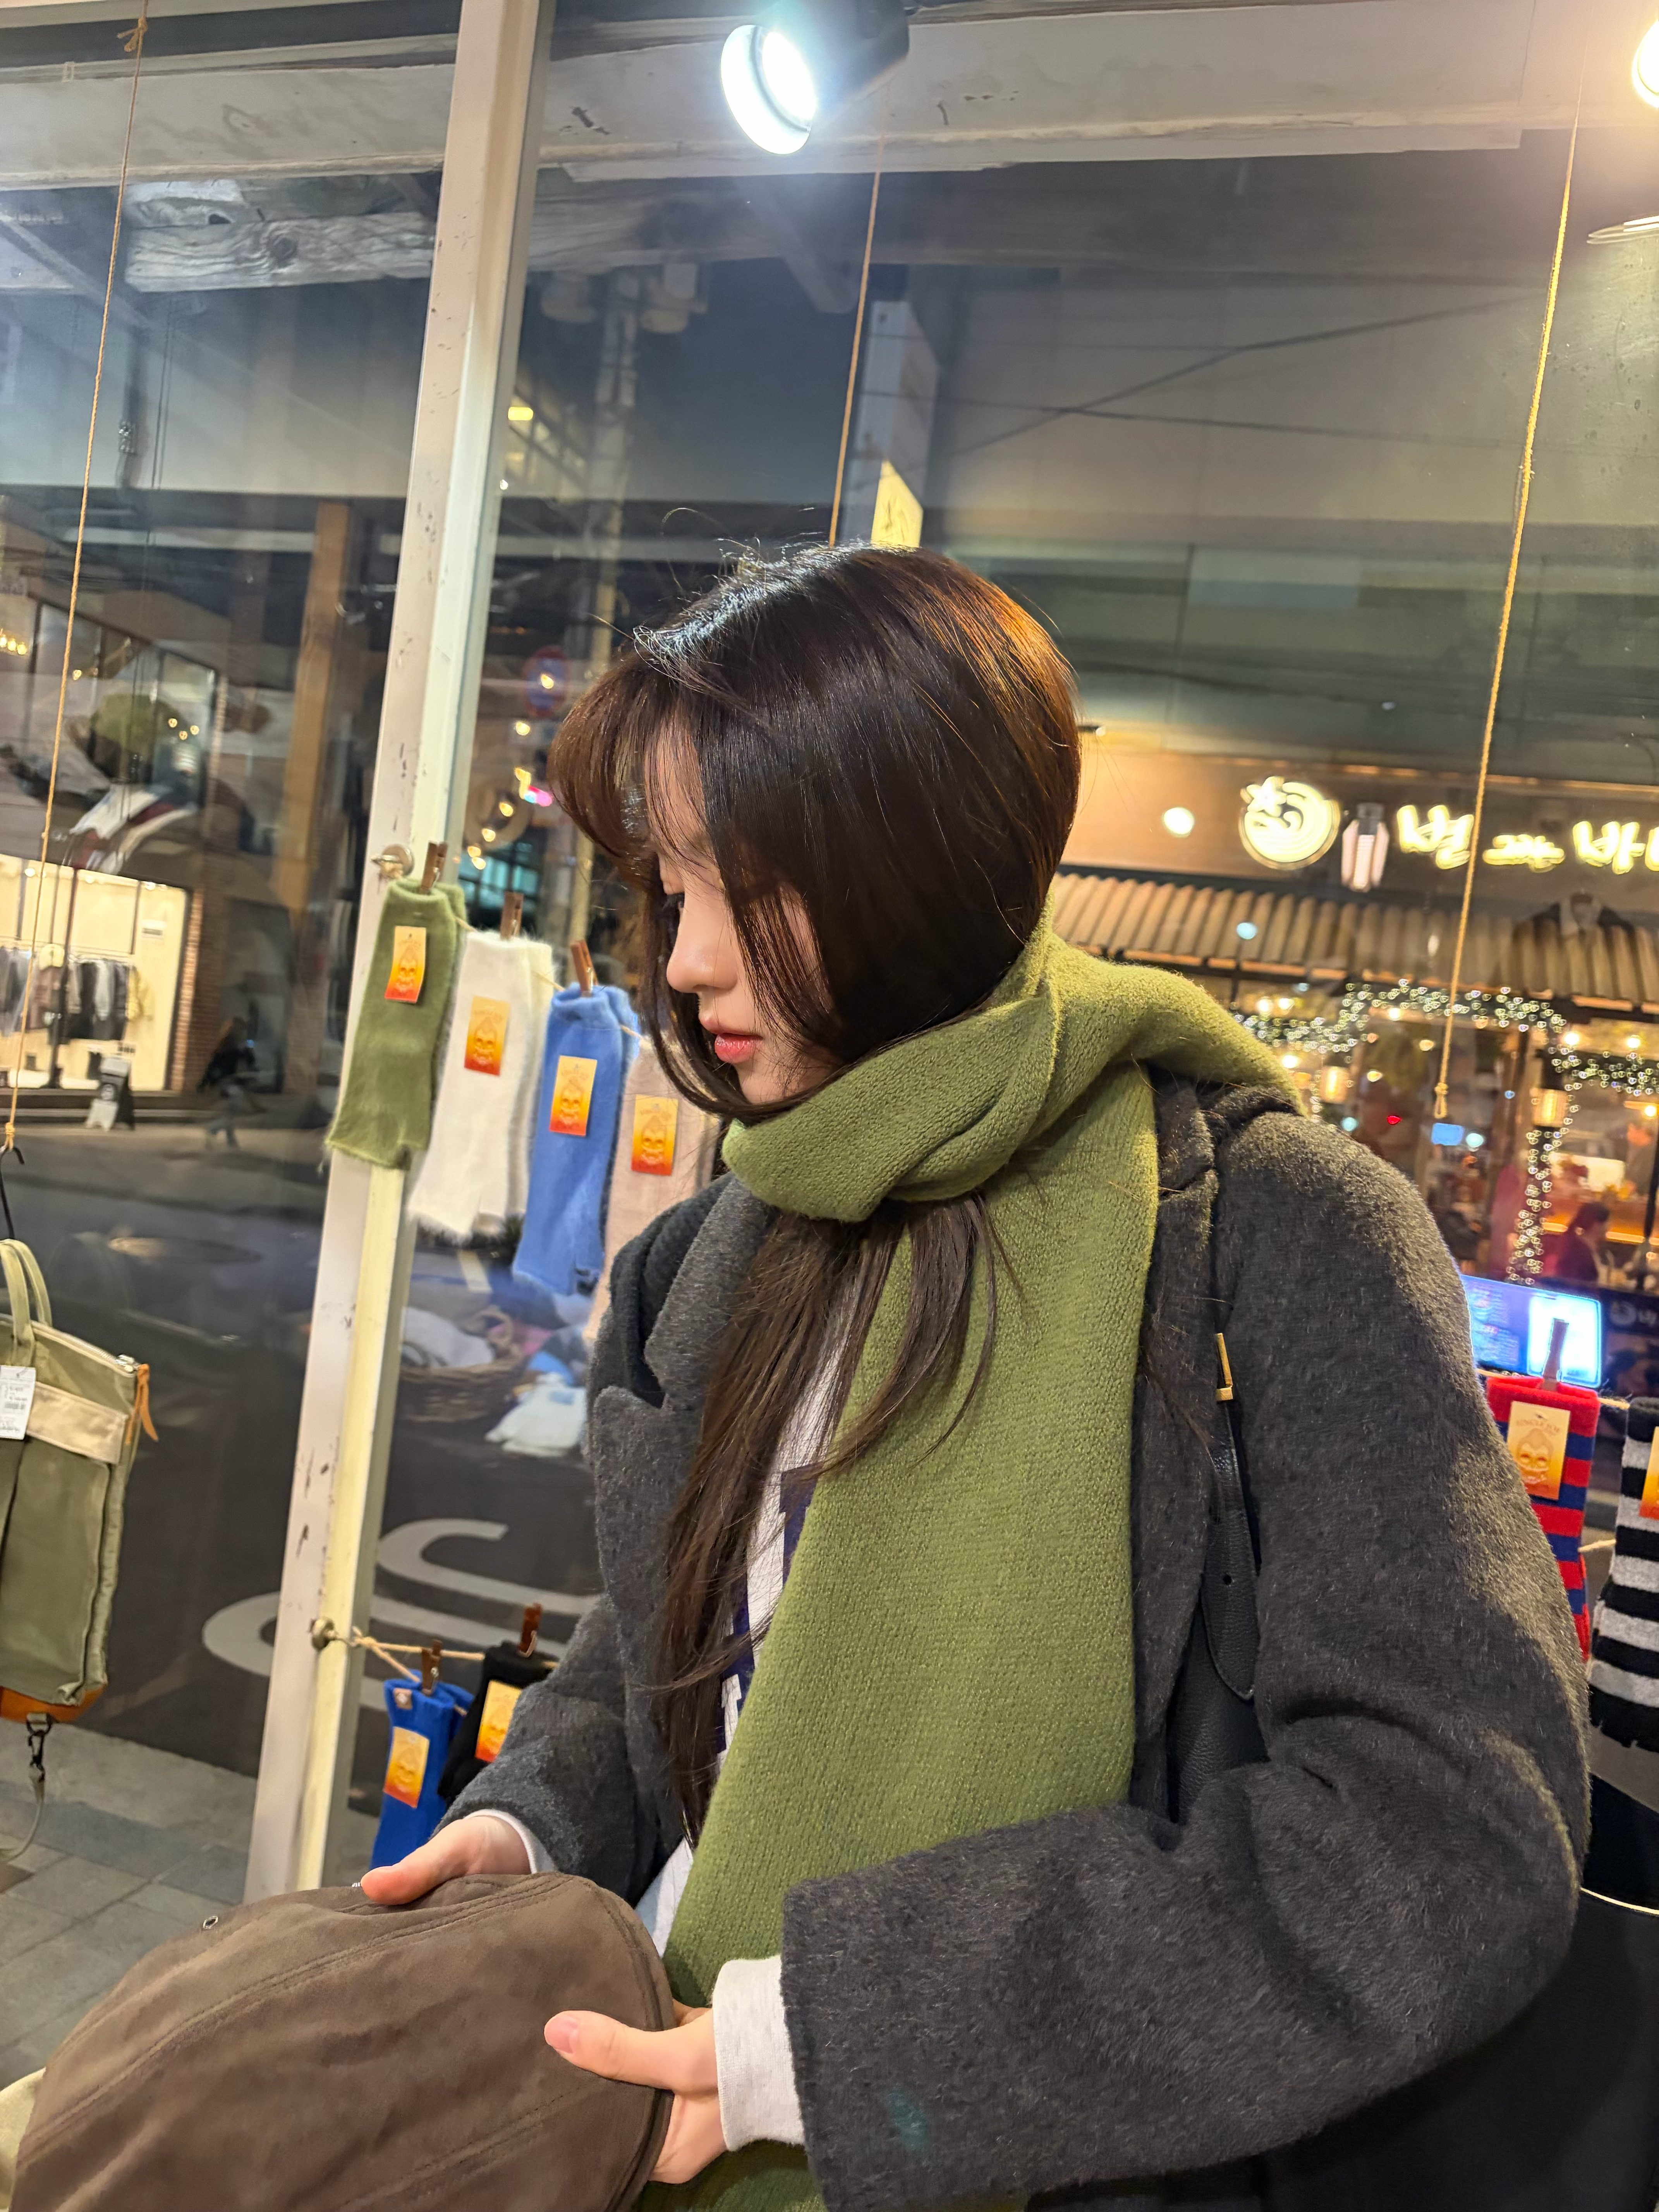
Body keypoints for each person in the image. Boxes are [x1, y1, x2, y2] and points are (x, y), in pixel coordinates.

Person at [363, 548, 1586, 2206]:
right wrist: (534, 1827)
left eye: (750, 886)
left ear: (916, 868)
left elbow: (1449, 1830)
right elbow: (697, 1641)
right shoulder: (726, 1241)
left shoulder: (1269, 1235)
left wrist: (834, 2042)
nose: (688, 959)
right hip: (641, 2120)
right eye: (669, 883)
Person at [1548, 1199, 1611, 1286]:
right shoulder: (1579, 1253)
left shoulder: (1582, 1249)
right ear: (1596, 1225)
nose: (1609, 1227)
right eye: (1607, 1222)